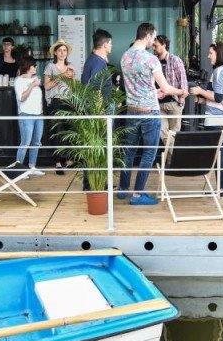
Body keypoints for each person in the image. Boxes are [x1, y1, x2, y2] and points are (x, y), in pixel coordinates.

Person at [117, 22, 186, 205]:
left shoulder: (125, 57)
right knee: (148, 153)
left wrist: (154, 93)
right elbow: (166, 87)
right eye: (153, 38)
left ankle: (123, 189)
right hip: (150, 113)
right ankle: (138, 195)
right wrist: (181, 92)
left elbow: (137, 87)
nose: (154, 41)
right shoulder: (150, 59)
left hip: (132, 111)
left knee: (129, 151)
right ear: (147, 36)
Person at [190, 42, 223, 195]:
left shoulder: (219, 71)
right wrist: (202, 100)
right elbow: (221, 98)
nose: (208, 56)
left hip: (217, 120)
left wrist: (200, 91)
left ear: (218, 54)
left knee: (217, 153)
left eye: (210, 53)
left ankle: (220, 189)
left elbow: (219, 97)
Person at [80, 29, 114, 191]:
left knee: (93, 148)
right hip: (98, 113)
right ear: (105, 44)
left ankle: (91, 184)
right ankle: (97, 185)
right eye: (110, 43)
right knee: (98, 148)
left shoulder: (93, 60)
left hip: (93, 111)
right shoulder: (98, 62)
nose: (111, 46)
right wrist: (101, 114)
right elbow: (96, 88)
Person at [8, 57, 45, 176]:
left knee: (36, 142)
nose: (36, 67)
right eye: (34, 65)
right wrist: (32, 86)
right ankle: (19, 169)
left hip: (39, 115)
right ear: (28, 67)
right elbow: (22, 98)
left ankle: (32, 166)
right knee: (26, 142)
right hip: (26, 114)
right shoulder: (19, 80)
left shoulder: (35, 79)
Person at [44, 40, 76, 176]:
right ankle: (57, 162)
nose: (62, 52)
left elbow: (74, 87)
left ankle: (68, 159)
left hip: (69, 101)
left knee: (69, 131)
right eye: (60, 50)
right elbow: (46, 86)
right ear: (55, 53)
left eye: (64, 50)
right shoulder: (50, 67)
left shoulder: (71, 67)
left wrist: (72, 78)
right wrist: (62, 76)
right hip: (56, 102)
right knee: (57, 132)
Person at [153, 33, 188, 149]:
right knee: (162, 133)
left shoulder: (175, 60)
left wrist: (180, 104)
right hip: (158, 105)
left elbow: (184, 85)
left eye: (156, 46)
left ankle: (170, 164)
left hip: (174, 103)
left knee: (174, 135)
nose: (153, 48)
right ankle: (177, 162)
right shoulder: (153, 62)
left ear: (164, 45)